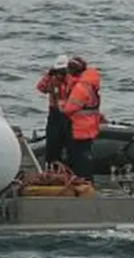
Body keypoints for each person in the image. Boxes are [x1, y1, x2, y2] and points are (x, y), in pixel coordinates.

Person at [60, 55, 102, 183]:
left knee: (79, 157)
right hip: (89, 125)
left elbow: (69, 108)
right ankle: (86, 180)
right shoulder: (90, 84)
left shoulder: (81, 87)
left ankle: (83, 181)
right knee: (84, 155)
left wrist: (61, 105)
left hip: (79, 126)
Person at [35, 55, 73, 165]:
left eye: (63, 71)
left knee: (69, 143)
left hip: (69, 115)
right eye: (58, 71)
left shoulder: (71, 80)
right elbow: (41, 88)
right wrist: (48, 75)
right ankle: (52, 166)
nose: (60, 74)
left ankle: (68, 167)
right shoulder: (52, 79)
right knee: (52, 143)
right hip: (55, 114)